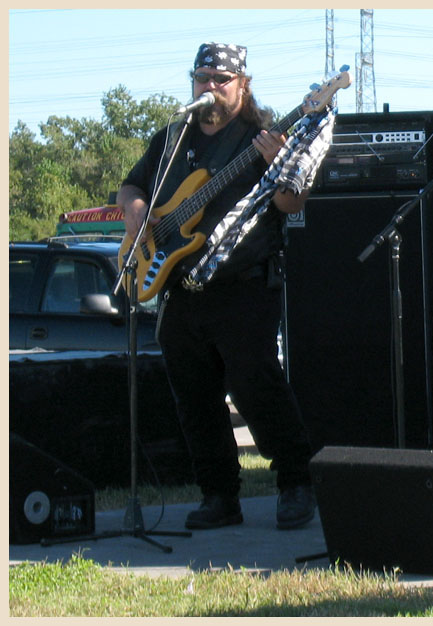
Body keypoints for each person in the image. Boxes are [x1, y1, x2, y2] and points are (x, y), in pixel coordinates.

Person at [118, 42, 316, 531]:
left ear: (242, 86)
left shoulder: (263, 135)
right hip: (180, 287)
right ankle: (219, 495)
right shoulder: (171, 139)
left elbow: (293, 203)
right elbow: (131, 187)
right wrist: (141, 219)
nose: (209, 87)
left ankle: (295, 482)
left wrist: (278, 168)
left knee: (256, 385)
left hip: (243, 283)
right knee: (194, 397)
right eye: (202, 77)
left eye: (220, 80)